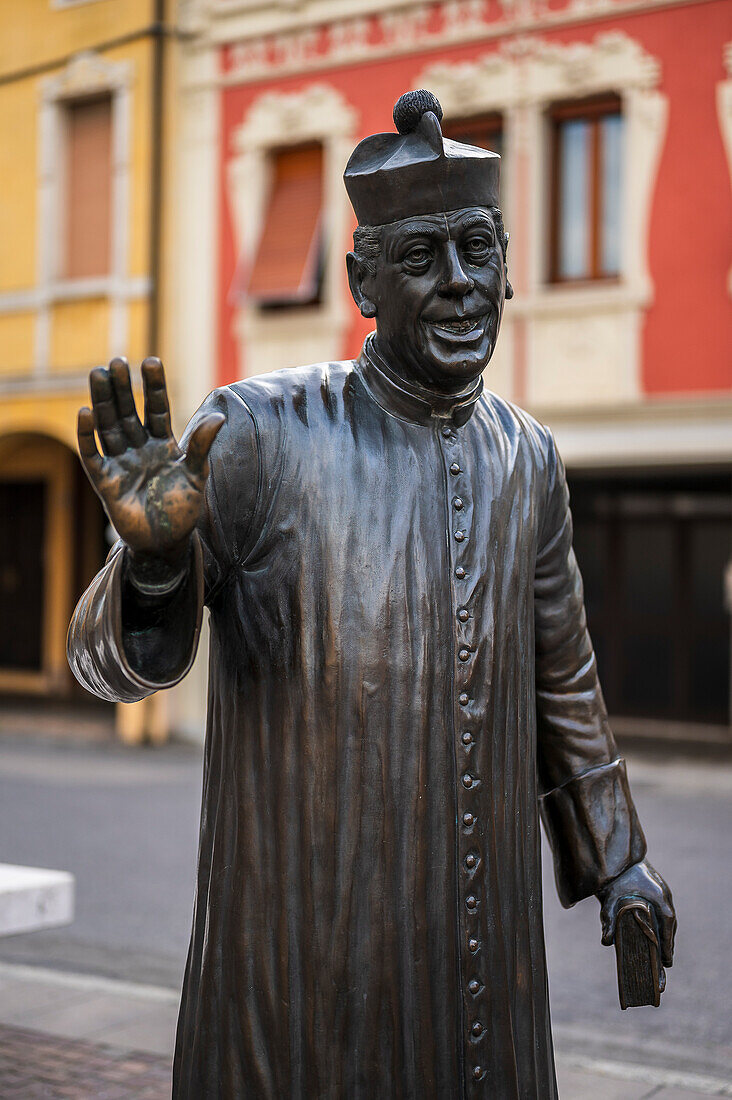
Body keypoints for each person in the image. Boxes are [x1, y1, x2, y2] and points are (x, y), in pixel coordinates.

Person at [68, 90, 675, 1099]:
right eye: (421, 256)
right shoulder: (257, 435)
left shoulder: (530, 457)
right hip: (302, 967)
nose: (458, 282)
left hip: (491, 964)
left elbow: (563, 675)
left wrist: (619, 860)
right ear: (361, 279)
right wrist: (158, 567)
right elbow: (109, 661)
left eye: (478, 249)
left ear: (510, 267)